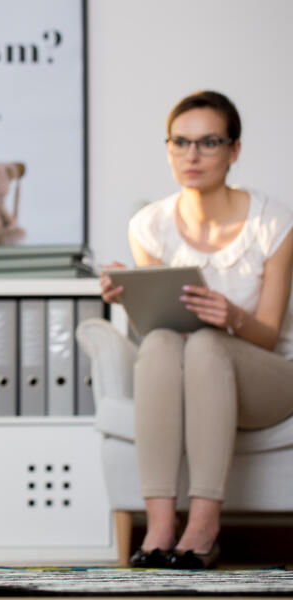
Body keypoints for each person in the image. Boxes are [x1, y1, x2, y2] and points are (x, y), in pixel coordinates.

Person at [100, 90, 293, 569]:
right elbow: (161, 334)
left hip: (267, 377)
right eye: (180, 142)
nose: (192, 154)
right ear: (168, 149)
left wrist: (231, 316)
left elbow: (269, 335)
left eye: (208, 142)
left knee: (207, 341)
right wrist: (132, 296)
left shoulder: (275, 221)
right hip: (193, 372)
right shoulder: (150, 225)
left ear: (234, 151)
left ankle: (204, 526)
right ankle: (161, 528)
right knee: (164, 340)